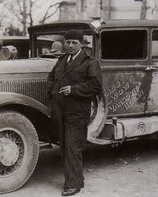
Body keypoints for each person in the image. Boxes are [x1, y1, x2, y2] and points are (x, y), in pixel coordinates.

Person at [47, 30, 102, 196]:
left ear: (81, 44)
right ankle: (78, 179)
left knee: (73, 148)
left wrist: (73, 90)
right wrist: (52, 91)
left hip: (77, 112)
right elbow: (51, 78)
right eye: (68, 42)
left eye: (74, 43)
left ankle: (72, 185)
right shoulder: (62, 59)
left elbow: (95, 85)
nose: (70, 46)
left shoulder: (89, 62)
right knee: (64, 147)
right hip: (60, 111)